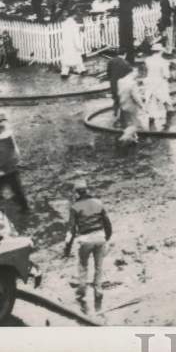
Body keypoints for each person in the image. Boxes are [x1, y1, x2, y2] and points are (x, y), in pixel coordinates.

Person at [64, 178, 113, 312]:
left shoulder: (74, 207)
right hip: (100, 237)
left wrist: (67, 248)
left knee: (83, 266)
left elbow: (71, 230)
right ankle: (98, 291)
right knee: (99, 267)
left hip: (85, 240)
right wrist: (106, 238)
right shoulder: (98, 203)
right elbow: (108, 224)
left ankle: (82, 291)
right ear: (87, 190)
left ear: (76, 193)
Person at [0, 114, 29, 212]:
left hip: (7, 168)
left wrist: (1, 167)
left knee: (14, 186)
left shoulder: (5, 136)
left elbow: (8, 154)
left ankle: (24, 207)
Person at [142, 42, 174, 129]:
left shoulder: (147, 60)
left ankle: (151, 123)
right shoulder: (164, 62)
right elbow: (166, 75)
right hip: (160, 83)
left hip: (150, 83)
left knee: (151, 101)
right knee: (166, 102)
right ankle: (168, 123)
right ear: (160, 51)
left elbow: (145, 72)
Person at [116, 59, 146, 145]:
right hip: (131, 106)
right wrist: (142, 105)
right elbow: (136, 97)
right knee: (136, 124)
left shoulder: (120, 81)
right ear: (131, 72)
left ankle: (133, 139)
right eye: (136, 72)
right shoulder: (132, 83)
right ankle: (124, 137)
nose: (137, 74)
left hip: (123, 104)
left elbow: (120, 93)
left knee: (129, 123)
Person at [107, 51, 135, 125]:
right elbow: (130, 74)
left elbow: (108, 73)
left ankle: (115, 114)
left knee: (115, 99)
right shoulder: (125, 63)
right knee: (122, 100)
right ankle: (121, 119)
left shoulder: (111, 61)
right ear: (125, 54)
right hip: (122, 84)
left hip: (113, 83)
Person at [60, 14, 86, 79]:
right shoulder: (73, 26)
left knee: (66, 59)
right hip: (73, 46)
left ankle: (64, 73)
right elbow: (76, 38)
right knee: (77, 58)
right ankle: (82, 71)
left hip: (66, 45)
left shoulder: (64, 25)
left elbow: (62, 37)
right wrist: (79, 46)